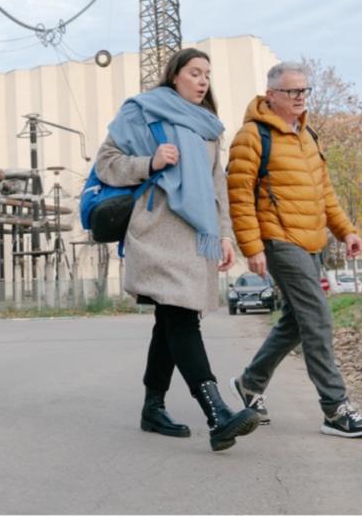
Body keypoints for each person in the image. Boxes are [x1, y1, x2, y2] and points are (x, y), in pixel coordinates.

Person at [95, 48, 260, 452]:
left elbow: (216, 185)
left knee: (170, 322)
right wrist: (149, 162)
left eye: (207, 73)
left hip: (195, 236)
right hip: (155, 232)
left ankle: (153, 407)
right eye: (194, 73)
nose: (203, 81)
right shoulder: (142, 112)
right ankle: (216, 412)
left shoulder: (208, 127)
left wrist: (225, 235)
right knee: (182, 319)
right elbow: (106, 163)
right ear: (174, 77)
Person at [227, 61, 362, 438]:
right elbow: (239, 196)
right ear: (271, 95)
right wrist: (252, 246)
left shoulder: (307, 134)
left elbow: (323, 192)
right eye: (292, 91)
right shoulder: (252, 136)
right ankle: (335, 409)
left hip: (313, 240)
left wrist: (346, 231)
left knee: (296, 322)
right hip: (279, 240)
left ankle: (251, 382)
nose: (300, 98)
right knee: (318, 319)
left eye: (304, 91)